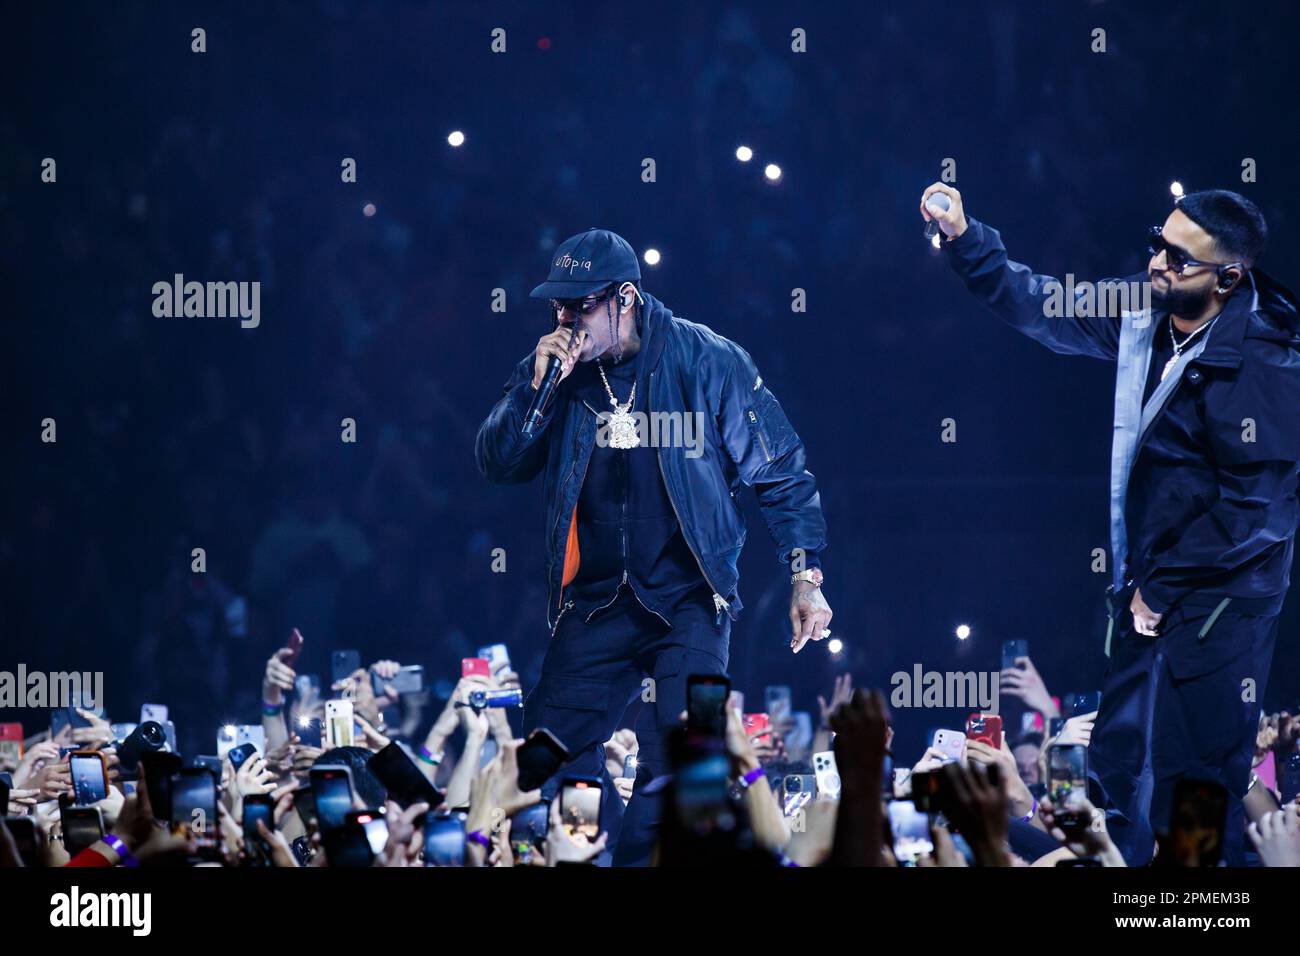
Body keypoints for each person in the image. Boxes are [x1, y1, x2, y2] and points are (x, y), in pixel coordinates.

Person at [922, 183, 1300, 865]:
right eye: (1158, 241)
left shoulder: (1268, 358)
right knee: (1120, 767)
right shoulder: (1145, 304)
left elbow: (1260, 511)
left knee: (1194, 792)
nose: (1157, 263)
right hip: (1146, 592)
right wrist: (968, 240)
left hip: (1220, 608)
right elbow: (1046, 306)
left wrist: (1162, 588)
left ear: (1228, 277)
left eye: (1179, 258)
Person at [475, 228, 832, 864]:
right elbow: (498, 463)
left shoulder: (707, 361)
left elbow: (781, 470)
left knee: (689, 753)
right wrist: (536, 391)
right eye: (558, 306)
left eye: (581, 305)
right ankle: (590, 855)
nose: (567, 321)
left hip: (690, 595)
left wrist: (806, 577)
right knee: (549, 752)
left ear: (626, 298)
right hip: (595, 603)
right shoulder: (556, 373)